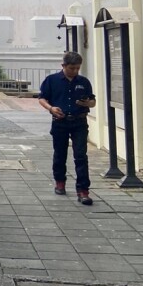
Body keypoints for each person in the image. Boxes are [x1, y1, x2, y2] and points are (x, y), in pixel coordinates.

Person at [38, 51, 97, 205]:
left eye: (77, 68)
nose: (75, 71)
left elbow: (92, 101)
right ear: (63, 66)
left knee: (81, 155)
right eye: (72, 68)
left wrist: (87, 103)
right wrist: (51, 108)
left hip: (79, 121)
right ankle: (60, 182)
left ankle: (83, 190)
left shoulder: (83, 82)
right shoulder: (52, 80)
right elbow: (42, 98)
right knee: (60, 153)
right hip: (60, 121)